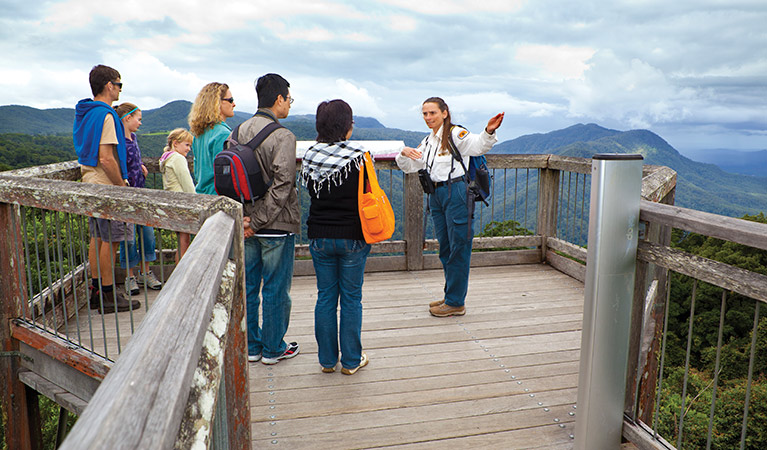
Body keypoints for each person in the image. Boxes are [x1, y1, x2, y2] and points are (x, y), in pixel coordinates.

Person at [395, 97, 504, 317]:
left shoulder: (455, 134)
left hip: (456, 194)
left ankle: (456, 302)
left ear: (444, 113)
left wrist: (488, 131)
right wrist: (402, 153)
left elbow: (478, 145)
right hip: (436, 195)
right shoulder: (428, 141)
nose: (428, 118)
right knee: (445, 247)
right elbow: (410, 167)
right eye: (425, 114)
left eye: (432, 113)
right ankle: (450, 295)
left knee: (459, 247)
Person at [228, 73, 300, 365]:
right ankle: (273, 349)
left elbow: (230, 179)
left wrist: (246, 220)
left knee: (249, 287)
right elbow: (283, 184)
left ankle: (252, 346)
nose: (290, 106)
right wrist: (258, 221)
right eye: (289, 100)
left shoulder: (236, 132)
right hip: (275, 226)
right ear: (279, 99)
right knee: (275, 288)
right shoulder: (283, 136)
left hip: (244, 225)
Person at [301, 100, 371, 375]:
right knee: (351, 299)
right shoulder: (360, 156)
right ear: (346, 125)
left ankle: (327, 361)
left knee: (326, 298)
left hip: (320, 235)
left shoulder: (310, 156)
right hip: (353, 236)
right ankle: (351, 361)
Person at [73, 64, 140, 314]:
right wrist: (121, 185)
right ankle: (110, 296)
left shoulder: (85, 112)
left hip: (89, 181)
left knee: (97, 238)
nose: (121, 89)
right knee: (111, 241)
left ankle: (96, 291)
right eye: (119, 84)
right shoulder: (106, 115)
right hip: (105, 184)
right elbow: (107, 158)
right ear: (109, 86)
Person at [113, 102, 162, 296]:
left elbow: (133, 158)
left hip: (141, 194)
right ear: (127, 118)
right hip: (127, 197)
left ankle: (145, 272)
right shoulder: (118, 142)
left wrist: (140, 165)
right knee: (130, 239)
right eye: (138, 119)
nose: (140, 123)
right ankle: (130, 276)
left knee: (148, 235)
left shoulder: (133, 138)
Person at [189, 82, 235, 195]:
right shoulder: (223, 134)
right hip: (217, 198)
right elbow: (226, 176)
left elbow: (197, 170)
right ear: (217, 103)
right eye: (230, 100)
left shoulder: (198, 134)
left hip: (202, 196)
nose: (234, 104)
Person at [159, 128, 195, 261]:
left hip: (172, 203)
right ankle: (182, 275)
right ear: (175, 143)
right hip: (182, 204)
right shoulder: (178, 159)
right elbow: (187, 183)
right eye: (186, 145)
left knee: (181, 242)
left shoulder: (166, 157)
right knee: (184, 242)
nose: (188, 149)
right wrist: (197, 202)